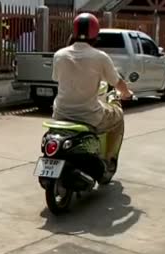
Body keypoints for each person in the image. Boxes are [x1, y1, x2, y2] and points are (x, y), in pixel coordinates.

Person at [52, 13, 133, 178]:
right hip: (89, 116)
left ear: (73, 32)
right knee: (117, 116)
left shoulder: (59, 55)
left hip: (60, 114)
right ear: (96, 34)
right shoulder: (100, 57)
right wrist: (126, 93)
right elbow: (118, 82)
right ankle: (109, 161)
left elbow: (57, 79)